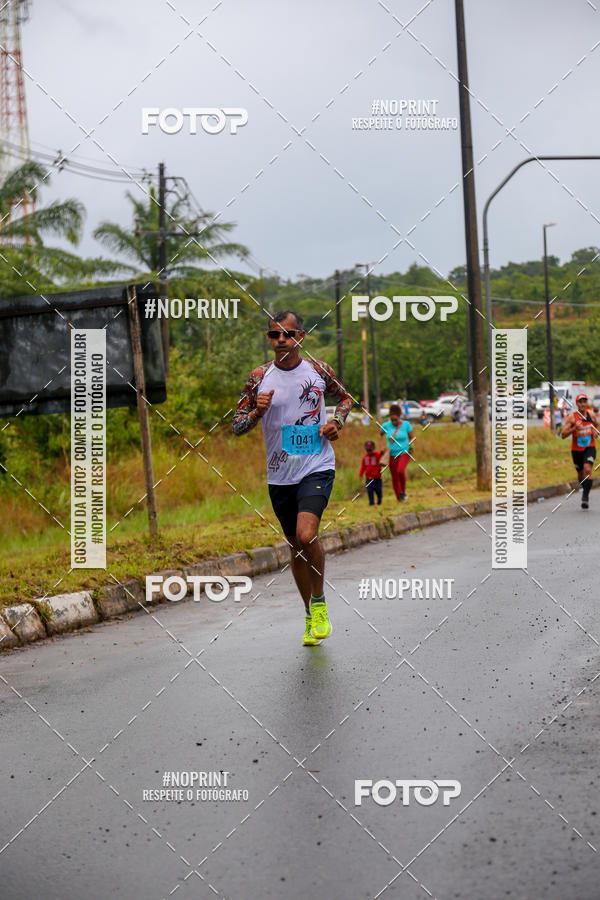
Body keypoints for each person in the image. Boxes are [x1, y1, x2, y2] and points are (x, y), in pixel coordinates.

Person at [232, 310, 352, 645]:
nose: (281, 340)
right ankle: (309, 615)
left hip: (316, 465)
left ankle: (319, 601)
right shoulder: (259, 377)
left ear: (300, 336)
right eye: (274, 335)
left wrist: (336, 423)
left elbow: (345, 398)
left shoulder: (317, 370)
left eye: (288, 333)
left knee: (306, 533)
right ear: (269, 339)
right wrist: (257, 409)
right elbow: (237, 425)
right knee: (295, 548)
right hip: (280, 474)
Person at [561, 393, 598, 509]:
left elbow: (597, 425)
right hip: (576, 450)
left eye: (584, 401)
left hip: (589, 448)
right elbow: (562, 435)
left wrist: (596, 431)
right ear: (577, 404)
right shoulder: (572, 417)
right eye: (580, 402)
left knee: (588, 469)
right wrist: (574, 428)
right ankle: (584, 488)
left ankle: (585, 497)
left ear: (587, 403)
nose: (582, 404)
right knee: (580, 474)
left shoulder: (591, 415)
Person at [379, 403, 414, 500]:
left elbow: (412, 437)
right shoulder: (386, 425)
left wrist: (411, 445)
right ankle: (399, 497)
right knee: (394, 475)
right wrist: (381, 446)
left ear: (399, 417)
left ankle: (403, 491)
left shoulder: (406, 424)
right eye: (392, 419)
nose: (394, 422)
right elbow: (380, 435)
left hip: (404, 452)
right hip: (391, 454)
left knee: (400, 471)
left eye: (396, 419)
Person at [359, 440, 386, 506]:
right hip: (368, 479)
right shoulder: (365, 457)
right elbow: (363, 467)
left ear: (373, 449)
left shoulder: (377, 455)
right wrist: (361, 474)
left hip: (377, 478)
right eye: (368, 450)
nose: (369, 452)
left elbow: (383, 454)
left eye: (370, 450)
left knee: (378, 491)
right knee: (369, 490)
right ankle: (371, 503)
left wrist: (382, 450)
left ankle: (379, 501)